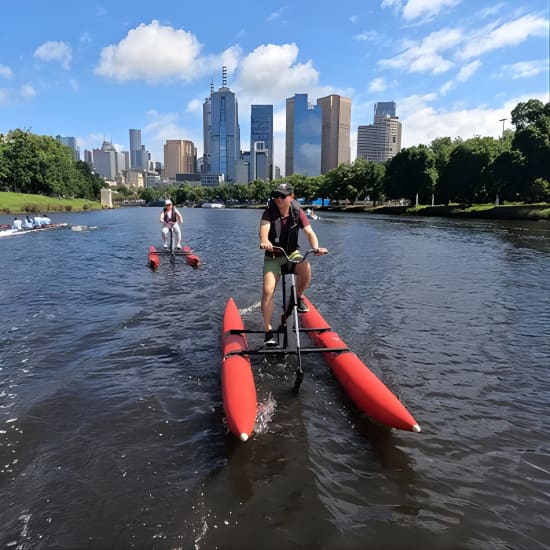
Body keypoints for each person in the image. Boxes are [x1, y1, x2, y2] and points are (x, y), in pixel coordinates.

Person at [259, 182, 328, 346]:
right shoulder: (269, 212)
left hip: (291, 253)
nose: (278, 199)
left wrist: (316, 248)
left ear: (291, 197)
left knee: (305, 267)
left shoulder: (297, 211)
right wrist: (265, 241)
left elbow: (309, 232)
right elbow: (263, 231)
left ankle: (297, 298)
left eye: (282, 196)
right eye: (276, 195)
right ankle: (268, 331)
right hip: (273, 257)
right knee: (268, 290)